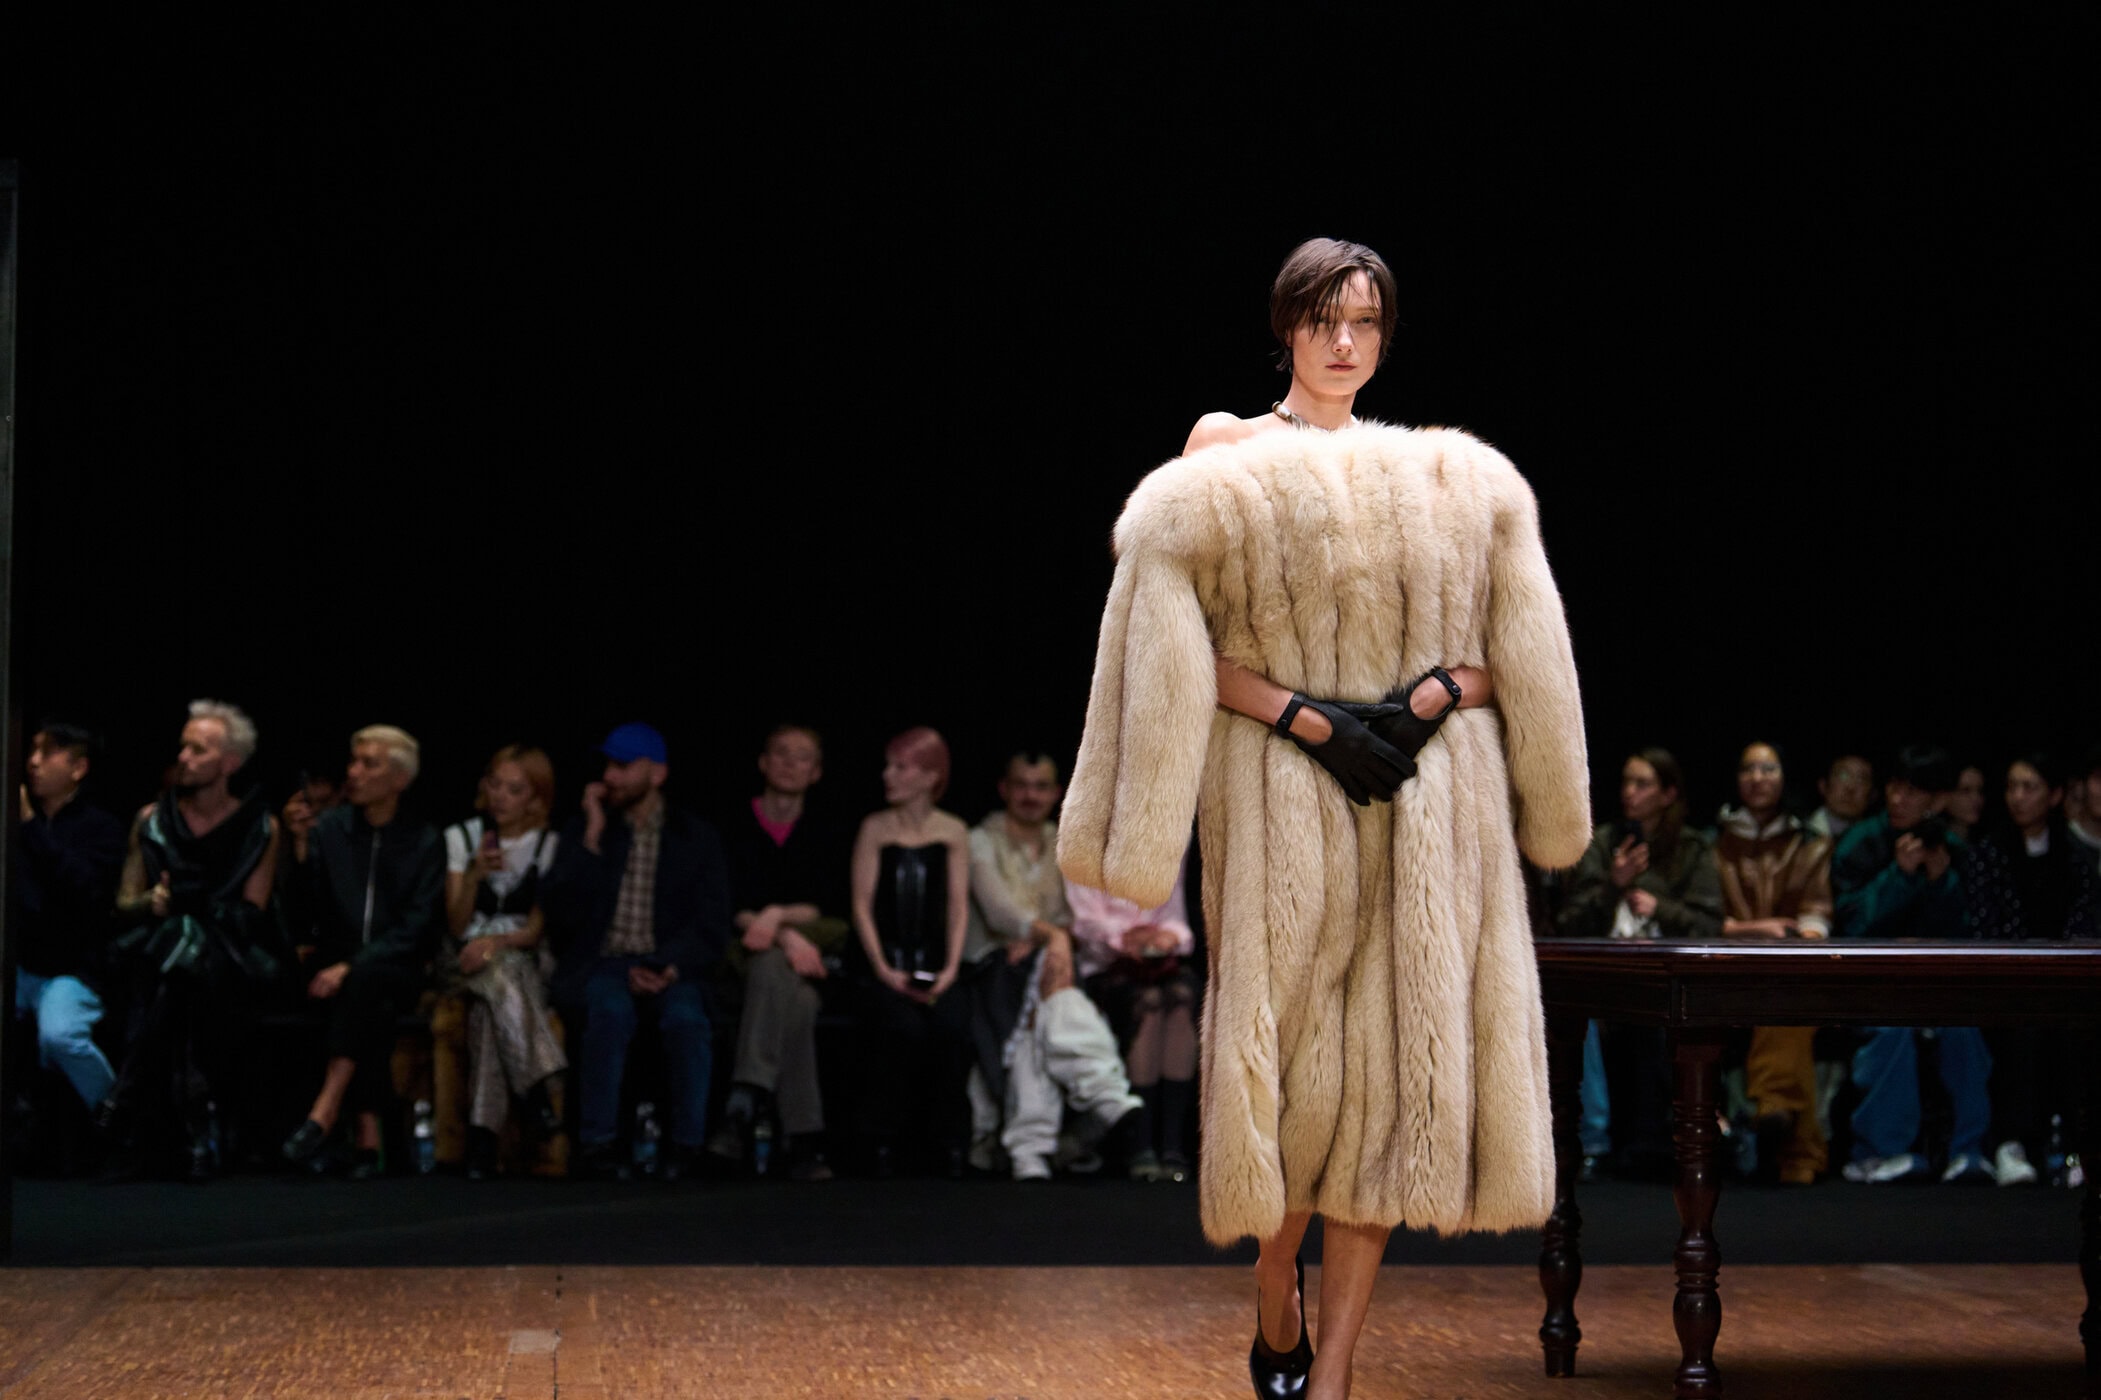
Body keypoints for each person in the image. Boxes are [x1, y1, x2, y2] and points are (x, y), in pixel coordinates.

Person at [1060, 237, 1591, 1400]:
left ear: (1384, 337)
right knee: (1285, 1073)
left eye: (1363, 323)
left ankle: (1337, 1371)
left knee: (1391, 1083)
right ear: (1286, 328)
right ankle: (1273, 1282)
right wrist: (1307, 718)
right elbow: (1171, 643)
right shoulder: (1226, 447)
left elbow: (1514, 655)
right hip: (1277, 798)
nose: (1343, 342)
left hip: (1418, 803)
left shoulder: (1441, 476)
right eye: (1321, 320)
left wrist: (1433, 695)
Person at [540, 723, 731, 1181]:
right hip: (604, 962)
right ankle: (598, 1143)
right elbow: (563, 916)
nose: (610, 776)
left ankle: (687, 1145)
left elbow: (711, 923)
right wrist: (591, 838)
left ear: (657, 774)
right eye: (608, 765)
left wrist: (668, 965)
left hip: (671, 964)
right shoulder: (587, 830)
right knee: (608, 1012)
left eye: (623, 766)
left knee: (686, 1019)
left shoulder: (694, 837)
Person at [106, 700, 283, 1180]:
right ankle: (197, 1124)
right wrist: (154, 901)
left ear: (229, 763)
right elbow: (124, 901)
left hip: (227, 952)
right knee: (178, 956)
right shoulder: (151, 820)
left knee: (187, 952)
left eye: (198, 750)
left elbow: (251, 913)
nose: (183, 757)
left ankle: (127, 1096)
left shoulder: (260, 827)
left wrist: (198, 906)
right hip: (158, 948)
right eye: (183, 747)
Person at [961, 752, 1142, 1182]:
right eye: (1021, 785)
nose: (1031, 795)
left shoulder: (1065, 840)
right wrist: (1051, 936)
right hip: (993, 967)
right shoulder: (980, 840)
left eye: (1041, 786)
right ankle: (1104, 1092)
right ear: (1004, 789)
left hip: (1043, 965)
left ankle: (1030, 1149)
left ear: (1057, 792)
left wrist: (1051, 938)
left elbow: (1076, 914)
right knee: (1043, 994)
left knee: (1036, 1030)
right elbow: (998, 911)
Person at [279, 726, 446, 1178]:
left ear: (400, 779)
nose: (353, 772)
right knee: (368, 1000)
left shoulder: (424, 839)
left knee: (366, 981)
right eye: (353, 761)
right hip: (336, 964)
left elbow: (418, 926)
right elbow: (305, 913)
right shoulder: (330, 829)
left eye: (369, 764)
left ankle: (328, 1110)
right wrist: (298, 849)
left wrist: (351, 966)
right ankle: (368, 1135)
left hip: (396, 964)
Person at [1556, 749, 1723, 1178]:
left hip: (1669, 977)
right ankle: (1593, 1142)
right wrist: (1613, 885)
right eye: (1626, 782)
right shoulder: (1601, 842)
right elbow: (1570, 923)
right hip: (1605, 975)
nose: (1630, 792)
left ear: (1668, 794)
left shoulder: (1691, 847)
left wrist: (1659, 906)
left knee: (1662, 1020)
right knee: (1575, 1015)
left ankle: (1666, 1142)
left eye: (1643, 784)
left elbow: (1710, 924)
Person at [1831, 744, 1992, 1184]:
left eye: (1913, 792)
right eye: (1894, 788)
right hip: (1868, 984)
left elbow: (1968, 933)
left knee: (1964, 1027)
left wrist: (1941, 882)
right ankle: (1879, 1151)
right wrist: (1899, 876)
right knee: (1892, 1028)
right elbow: (1851, 927)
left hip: (1937, 984)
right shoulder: (1860, 843)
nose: (1899, 800)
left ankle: (1967, 1150)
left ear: (1938, 800)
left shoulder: (1952, 851)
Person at [708, 723, 853, 1182]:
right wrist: (779, 933)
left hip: (807, 952)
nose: (790, 763)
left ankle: (743, 1105)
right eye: (781, 753)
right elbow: (727, 902)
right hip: (743, 949)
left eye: (802, 756)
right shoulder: (732, 824)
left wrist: (778, 919)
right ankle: (804, 1140)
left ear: (816, 772)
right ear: (763, 763)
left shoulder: (826, 830)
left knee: (796, 995)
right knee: (783, 979)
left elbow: (825, 904)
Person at [1963, 753, 2101, 1185]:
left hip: (2064, 984)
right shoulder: (1989, 853)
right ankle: (2012, 1142)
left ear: (2054, 795)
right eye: (2012, 787)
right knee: (2022, 1027)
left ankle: (2072, 1150)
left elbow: (2085, 924)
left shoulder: (2074, 857)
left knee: (2074, 1028)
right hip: (2005, 984)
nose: (2018, 797)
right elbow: (1986, 926)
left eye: (2030, 787)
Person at [847, 726, 974, 1177]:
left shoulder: (953, 830)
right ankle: (881, 1141)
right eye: (890, 765)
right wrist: (884, 969)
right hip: (883, 966)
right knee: (899, 1029)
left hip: (936, 966)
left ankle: (951, 1144)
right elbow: (861, 906)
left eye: (901, 767)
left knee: (952, 1027)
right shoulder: (874, 828)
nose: (889, 775)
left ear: (929, 776)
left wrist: (950, 969)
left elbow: (958, 906)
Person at [440, 745, 567, 1180]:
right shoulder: (462, 837)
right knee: (494, 981)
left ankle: (482, 1140)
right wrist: (474, 876)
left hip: (523, 958)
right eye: (495, 785)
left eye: (514, 790)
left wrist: (494, 944)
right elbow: (456, 925)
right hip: (464, 960)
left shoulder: (549, 845)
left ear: (535, 798)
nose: (500, 797)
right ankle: (537, 1090)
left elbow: (533, 932)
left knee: (492, 1003)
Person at [1712, 741, 1833, 1184]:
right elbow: (1703, 916)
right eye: (1749, 769)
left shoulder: (1809, 843)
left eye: (1768, 768)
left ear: (1785, 777)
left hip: (1790, 968)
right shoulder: (1715, 842)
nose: (1757, 778)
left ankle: (1774, 1111)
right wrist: (1749, 932)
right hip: (1724, 967)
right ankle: (1797, 1149)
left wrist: (1805, 941)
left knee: (1787, 998)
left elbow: (1816, 912)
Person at [13, 724, 127, 1131]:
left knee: (60, 1036)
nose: (33, 763)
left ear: (78, 768)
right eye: (32, 752)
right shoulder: (15, 824)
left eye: (47, 753)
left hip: (75, 966)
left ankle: (115, 1114)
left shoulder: (100, 827)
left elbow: (85, 891)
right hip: (21, 962)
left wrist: (31, 827)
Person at [1066, 853, 1199, 1182]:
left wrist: (1168, 937)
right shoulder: (1085, 846)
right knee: (1149, 1003)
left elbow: (1177, 920)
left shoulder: (1165, 849)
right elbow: (1084, 923)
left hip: (1156, 963)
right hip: (1106, 966)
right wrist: (1127, 936)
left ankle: (1171, 1144)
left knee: (1181, 999)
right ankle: (1141, 1144)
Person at [1807, 754, 1875, 842]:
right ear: (1823, 785)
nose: (1851, 787)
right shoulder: (1798, 834)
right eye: (1843, 775)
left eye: (1861, 779)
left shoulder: (1878, 842)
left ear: (1873, 794)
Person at [1944, 763, 1987, 843]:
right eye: (1965, 791)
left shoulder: (1987, 843)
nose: (1976, 798)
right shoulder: (1931, 843)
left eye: (1980, 791)